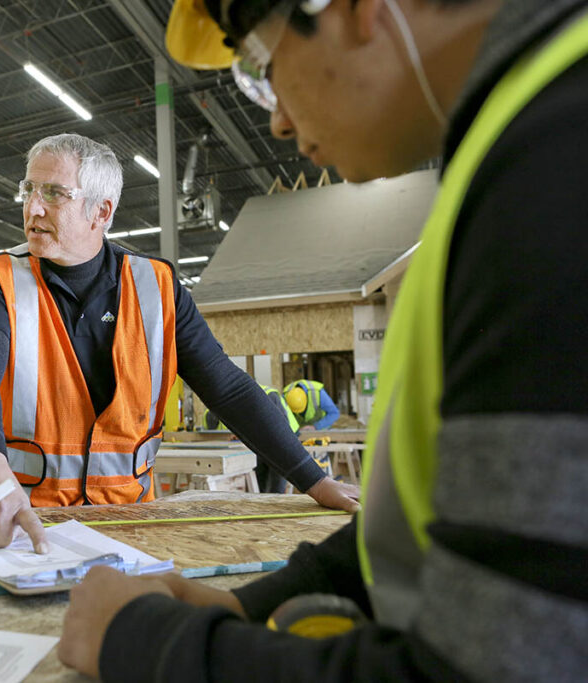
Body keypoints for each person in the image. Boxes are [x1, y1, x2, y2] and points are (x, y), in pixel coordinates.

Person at [57, 0, 588, 680]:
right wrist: (242, 605)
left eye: (262, 69)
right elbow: (436, 534)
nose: (276, 117)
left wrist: (146, 642)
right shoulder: (516, 147)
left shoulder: (556, 170)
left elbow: (498, 664)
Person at [0, 132, 360, 552]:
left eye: (54, 193)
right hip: (22, 524)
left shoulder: (157, 288)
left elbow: (227, 387)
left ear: (101, 212)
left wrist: (314, 479)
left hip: (130, 525)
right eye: (29, 189)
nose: (33, 206)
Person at [256, 383, 301, 492]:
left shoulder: (269, 396)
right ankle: (264, 501)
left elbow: (281, 427)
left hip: (286, 436)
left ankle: (276, 499)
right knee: (260, 473)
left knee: (277, 476)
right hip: (263, 439)